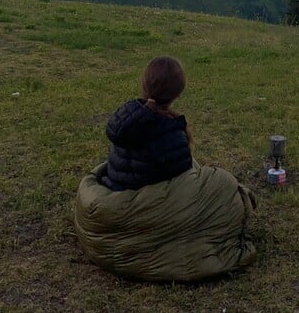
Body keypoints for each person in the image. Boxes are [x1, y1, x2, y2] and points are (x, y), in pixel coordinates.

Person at [73, 55, 257, 282]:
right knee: (224, 183)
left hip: (117, 187)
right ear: (177, 92)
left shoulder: (127, 118)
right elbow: (180, 179)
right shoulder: (169, 134)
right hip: (142, 199)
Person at [100, 55, 193, 191]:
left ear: (145, 85)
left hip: (114, 189)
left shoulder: (127, 116)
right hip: (141, 203)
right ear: (177, 93)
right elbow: (181, 182)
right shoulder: (173, 135)